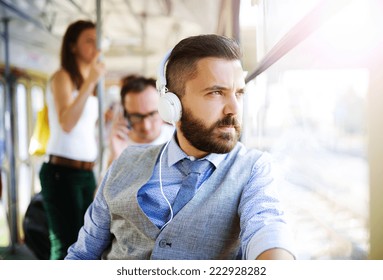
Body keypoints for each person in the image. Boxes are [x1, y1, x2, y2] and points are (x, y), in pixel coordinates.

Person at [65, 34, 295, 260]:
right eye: (216, 93)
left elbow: (268, 228)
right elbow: (82, 254)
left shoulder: (254, 168)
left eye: (239, 93)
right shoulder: (125, 161)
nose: (233, 108)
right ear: (172, 105)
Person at [39, 19, 106, 259]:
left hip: (86, 171)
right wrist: (90, 82)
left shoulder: (88, 82)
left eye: (97, 41)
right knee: (66, 242)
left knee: (87, 240)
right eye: (88, 40)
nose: (95, 46)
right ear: (72, 46)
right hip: (61, 171)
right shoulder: (62, 77)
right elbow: (67, 123)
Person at [107, 75, 174, 165]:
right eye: (137, 116)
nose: (146, 126)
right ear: (124, 114)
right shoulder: (118, 143)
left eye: (152, 114)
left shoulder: (178, 139)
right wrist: (116, 157)